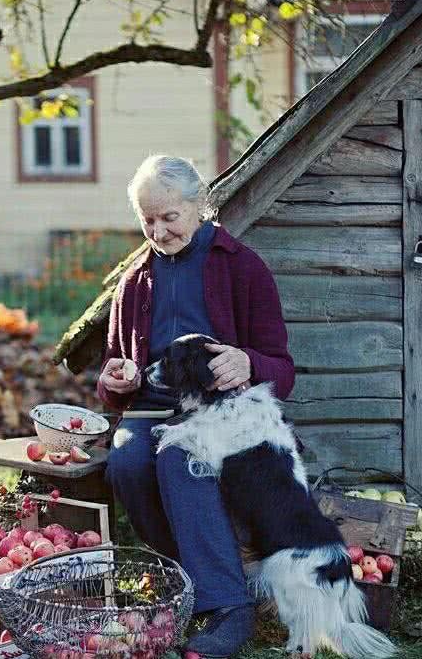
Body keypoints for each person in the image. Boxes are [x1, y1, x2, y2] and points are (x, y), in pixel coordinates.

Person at [98, 155, 295, 657]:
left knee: (179, 459)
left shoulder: (241, 266)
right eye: (148, 220)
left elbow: (282, 368)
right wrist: (116, 381)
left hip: (220, 412)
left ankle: (229, 607)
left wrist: (248, 362)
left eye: (170, 217)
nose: (159, 231)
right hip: (150, 410)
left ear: (199, 206)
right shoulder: (134, 281)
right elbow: (112, 376)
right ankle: (179, 583)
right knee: (125, 460)